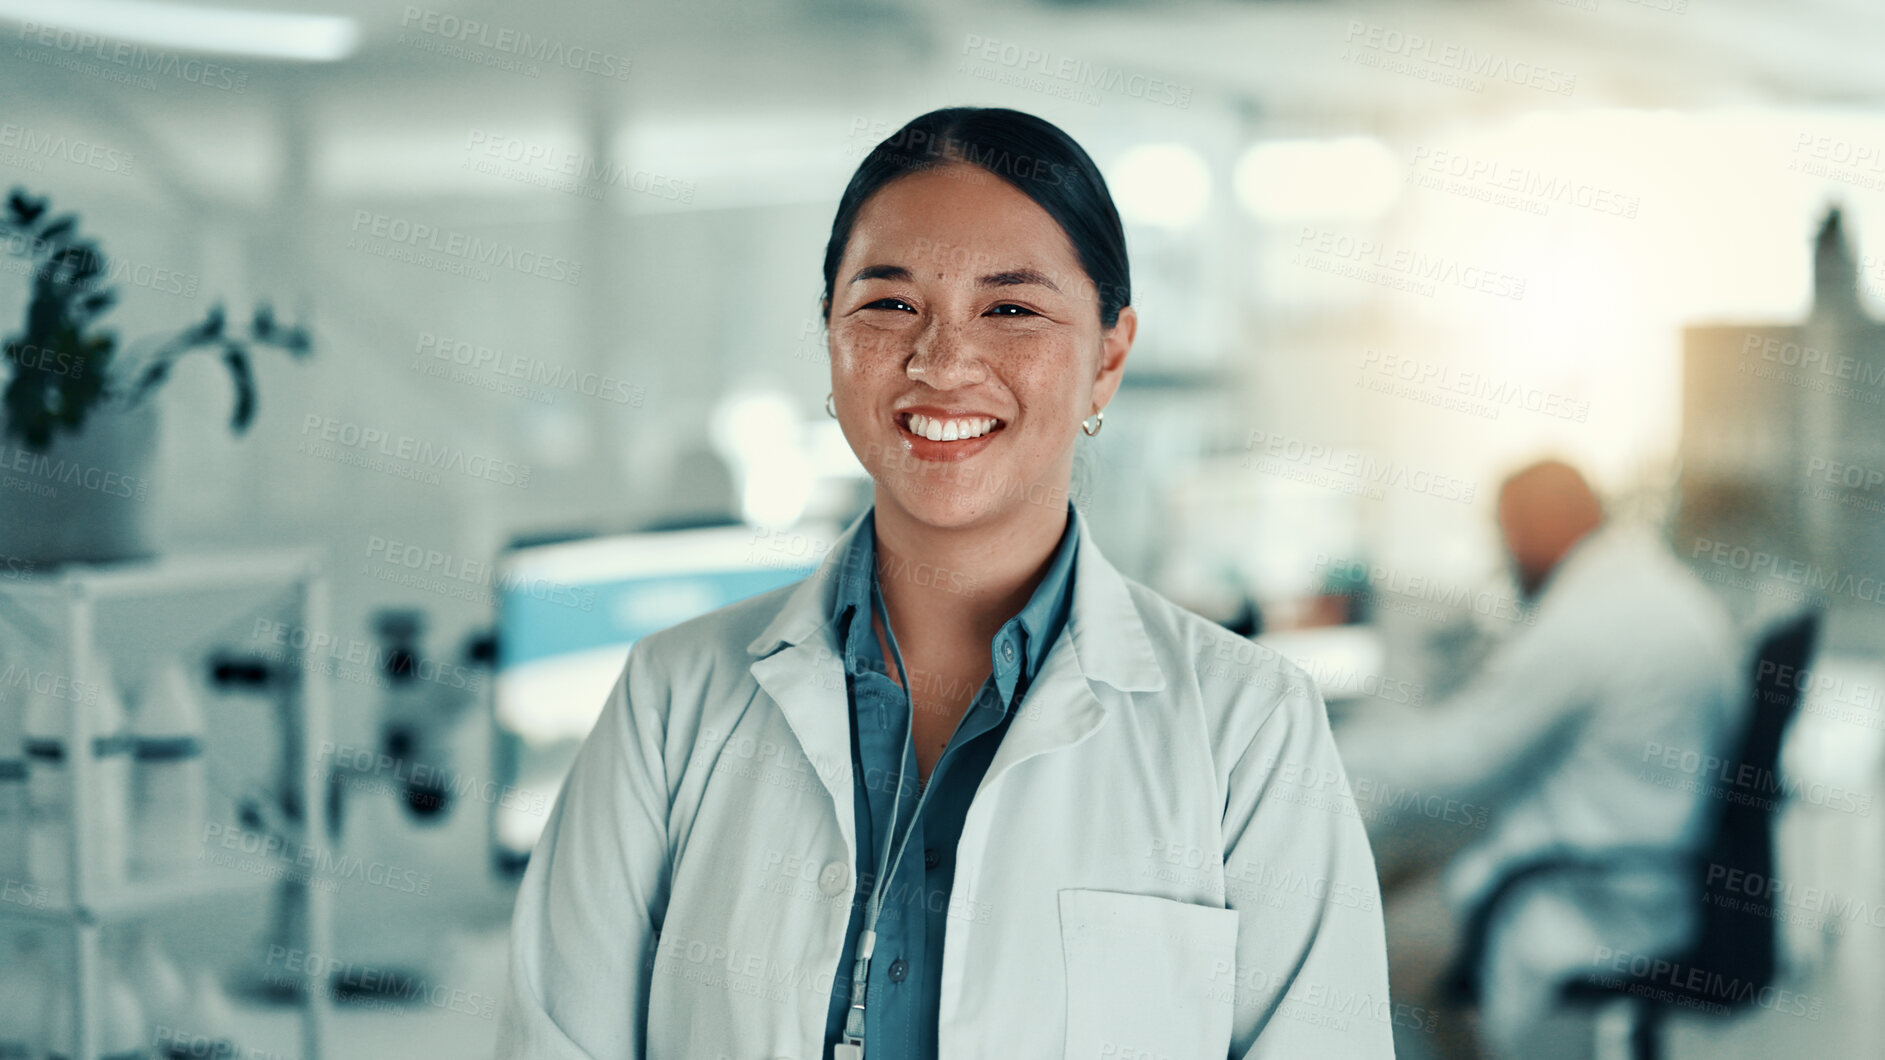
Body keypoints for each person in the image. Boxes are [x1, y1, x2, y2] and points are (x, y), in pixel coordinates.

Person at [496, 107, 1394, 1059]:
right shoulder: (671, 701)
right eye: (888, 305)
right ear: (831, 337)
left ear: (1109, 357)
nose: (941, 360)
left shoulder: (1248, 730)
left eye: (1011, 309)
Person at [1336, 460, 1744, 1059]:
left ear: (1538, 526)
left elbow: (1462, 760)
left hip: (1587, 896)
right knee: (1404, 880)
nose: (1505, 555)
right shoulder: (1651, 588)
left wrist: (1327, 752)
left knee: (1366, 949)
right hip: (1644, 875)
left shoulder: (1589, 621)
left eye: (1507, 533)